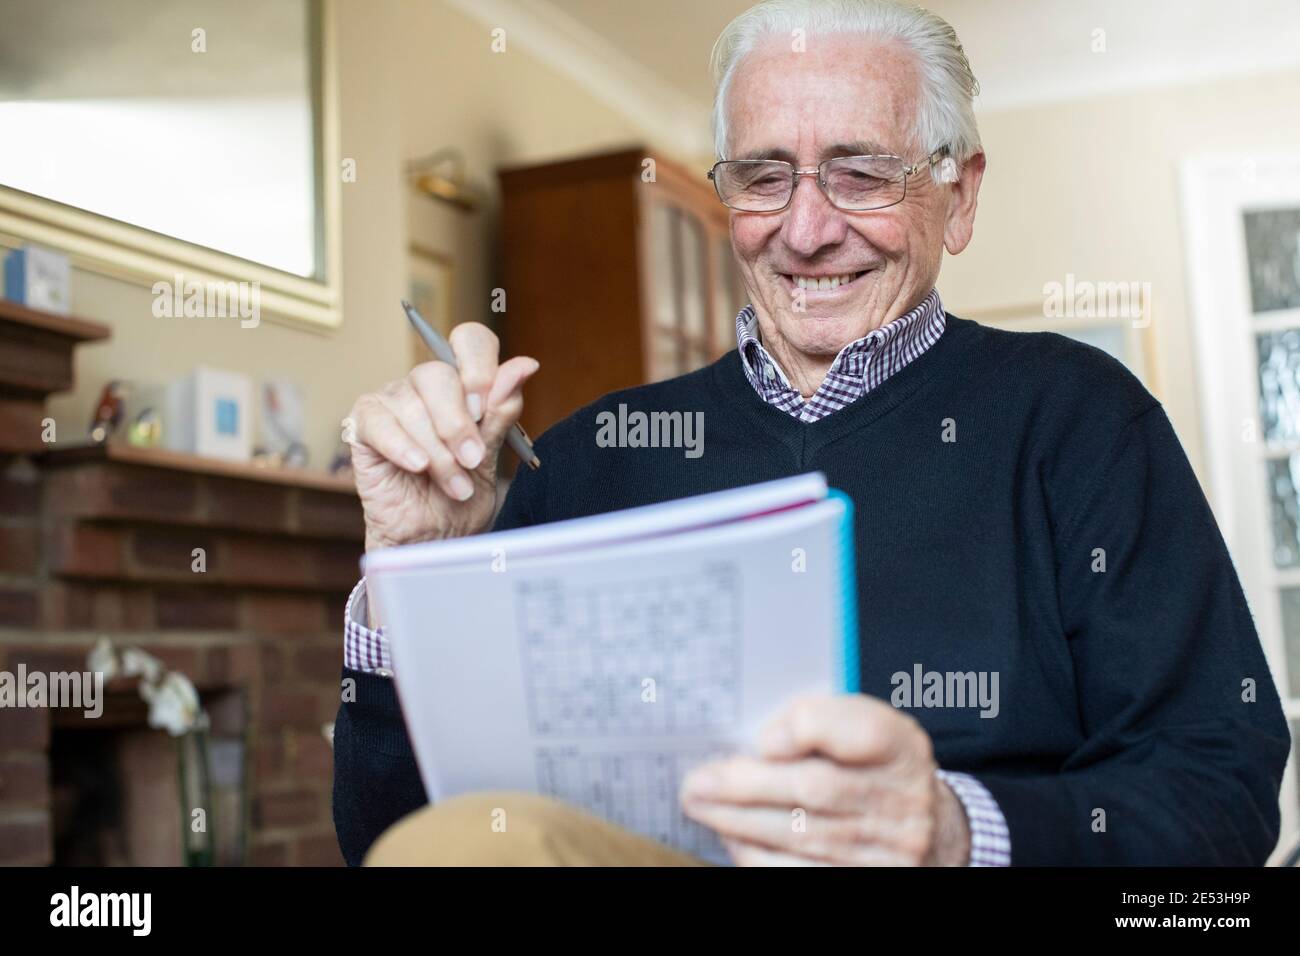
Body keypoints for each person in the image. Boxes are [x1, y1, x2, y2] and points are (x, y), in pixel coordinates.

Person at [332, 0, 1290, 866]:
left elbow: (1221, 789)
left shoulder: (1082, 419)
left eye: (862, 173)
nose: (805, 229)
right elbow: (404, 843)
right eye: (763, 177)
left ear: (958, 197)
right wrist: (405, 581)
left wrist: (954, 834)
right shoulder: (584, 459)